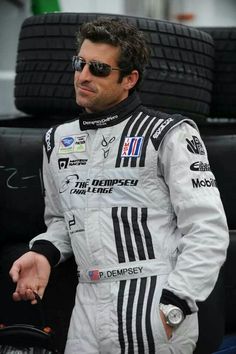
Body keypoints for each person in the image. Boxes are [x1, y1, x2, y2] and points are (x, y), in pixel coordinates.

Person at [9, 17, 229, 354]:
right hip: (87, 305)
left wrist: (176, 301)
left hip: (152, 302)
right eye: (79, 64)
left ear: (129, 79)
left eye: (98, 69)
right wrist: (43, 253)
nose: (82, 76)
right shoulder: (57, 140)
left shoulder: (170, 134)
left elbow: (207, 229)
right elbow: (61, 220)